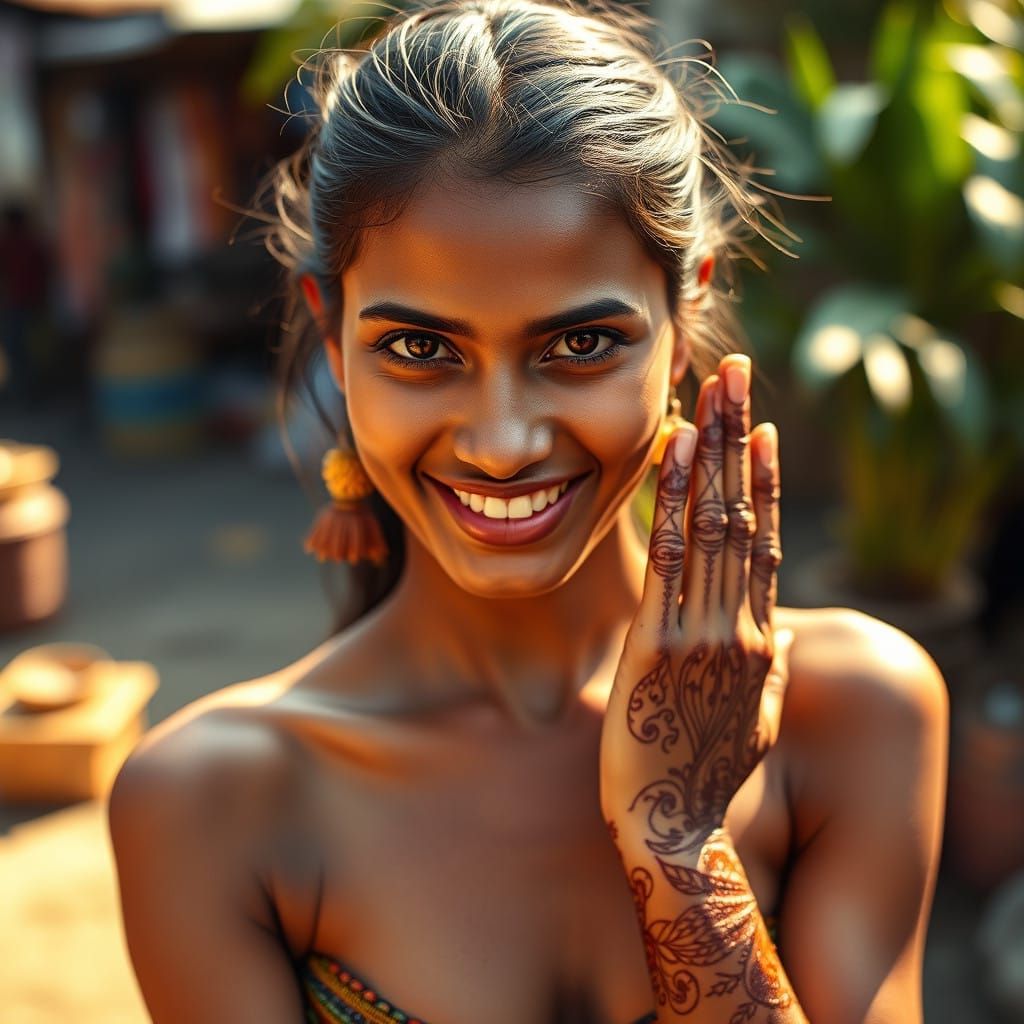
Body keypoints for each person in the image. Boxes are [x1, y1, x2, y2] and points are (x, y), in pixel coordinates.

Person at [107, 2, 948, 1022]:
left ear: (680, 325)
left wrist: (675, 841)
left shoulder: (851, 713)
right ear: (333, 338)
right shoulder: (211, 801)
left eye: (580, 345)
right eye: (420, 350)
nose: (501, 441)